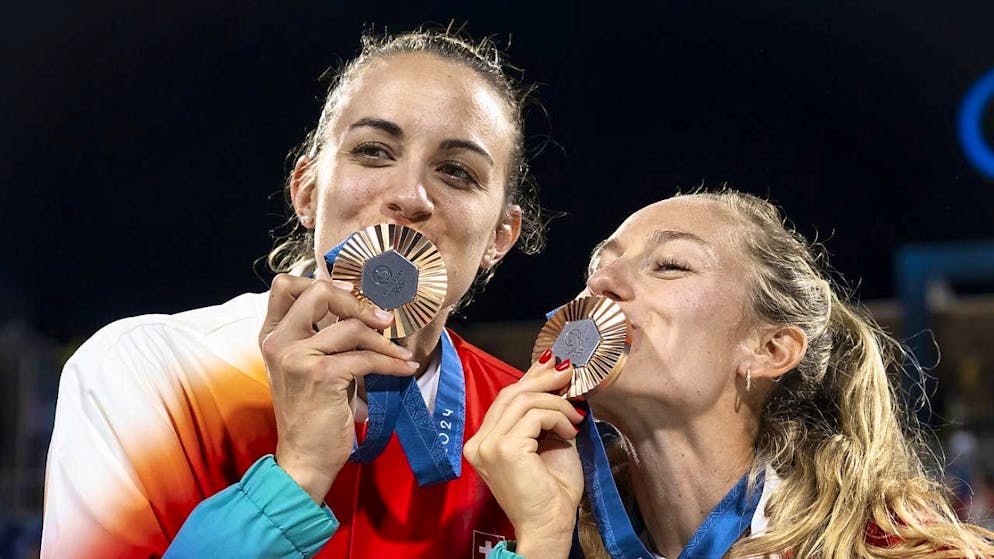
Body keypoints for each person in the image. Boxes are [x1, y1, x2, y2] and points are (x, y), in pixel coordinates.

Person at [42, 26, 546, 558]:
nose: (409, 196)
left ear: (499, 237)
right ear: (307, 192)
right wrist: (297, 475)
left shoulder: (524, 431)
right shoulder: (149, 375)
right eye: (374, 151)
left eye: (456, 171)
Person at [465, 189, 994, 558]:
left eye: (670, 264)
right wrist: (541, 537)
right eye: (596, 269)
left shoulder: (905, 551)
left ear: (769, 349)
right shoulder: (538, 534)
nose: (602, 282)